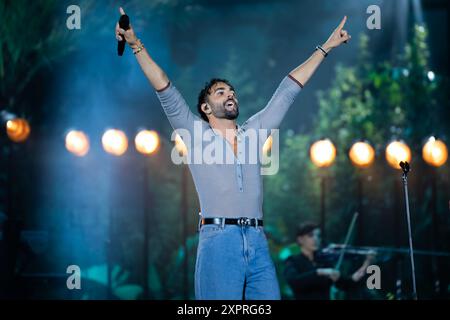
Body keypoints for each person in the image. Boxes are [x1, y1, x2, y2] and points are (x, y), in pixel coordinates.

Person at [115, 7, 351, 300]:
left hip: (257, 241)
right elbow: (163, 86)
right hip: (218, 241)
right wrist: (136, 45)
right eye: (220, 92)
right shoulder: (194, 132)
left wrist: (325, 47)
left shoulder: (254, 132)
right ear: (205, 108)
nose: (230, 94)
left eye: (231, 91)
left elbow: (287, 90)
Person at [284, 222, 374, 300]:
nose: (316, 239)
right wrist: (319, 272)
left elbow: (346, 284)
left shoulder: (323, 262)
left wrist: (366, 264)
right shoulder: (293, 261)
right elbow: (294, 282)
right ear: (300, 239)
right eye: (310, 235)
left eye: (318, 236)